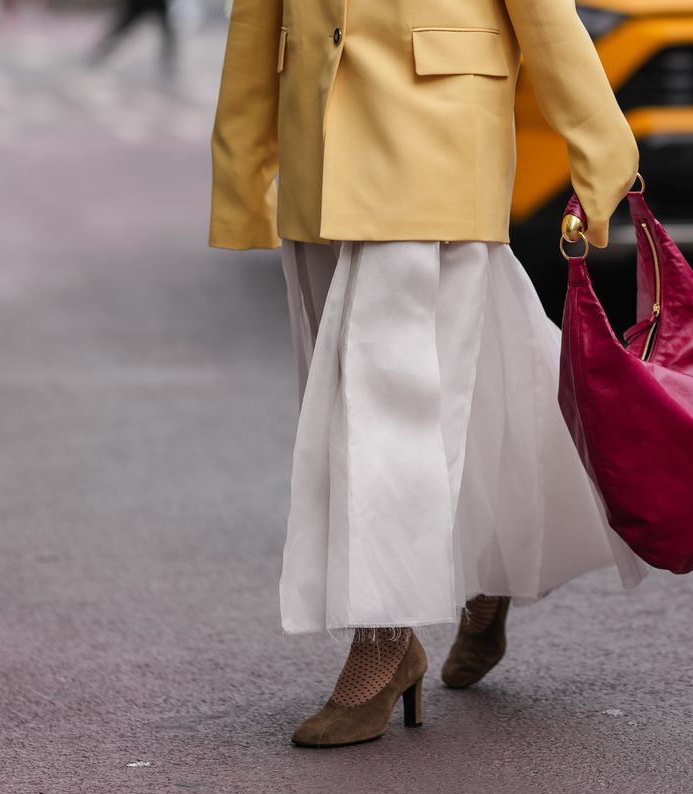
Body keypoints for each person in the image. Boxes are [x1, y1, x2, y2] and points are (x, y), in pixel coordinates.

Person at [209, 0, 649, 748]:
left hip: (437, 136)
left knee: (389, 405)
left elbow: (544, 15)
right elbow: (257, 20)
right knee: (465, 381)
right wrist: (242, 167)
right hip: (318, 140)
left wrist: (603, 153)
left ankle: (383, 642)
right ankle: (491, 568)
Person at [86, 0, 176, 77]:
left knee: (167, 36)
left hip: (155, 4)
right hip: (140, 4)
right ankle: (100, 53)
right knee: (119, 30)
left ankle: (167, 62)